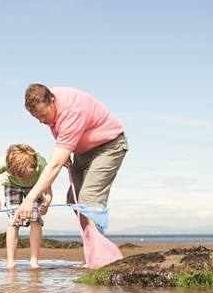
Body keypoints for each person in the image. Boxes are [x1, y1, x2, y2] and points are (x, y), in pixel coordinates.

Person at [13, 84, 128, 233]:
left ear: (52, 101)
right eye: (37, 118)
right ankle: (91, 244)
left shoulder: (72, 112)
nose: (41, 121)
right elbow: (62, 138)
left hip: (108, 146)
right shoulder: (48, 102)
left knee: (88, 201)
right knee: (73, 200)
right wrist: (67, 150)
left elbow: (54, 165)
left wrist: (29, 200)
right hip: (83, 152)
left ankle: (98, 251)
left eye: (42, 115)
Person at [0, 143, 53, 268]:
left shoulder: (41, 165)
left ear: (32, 168)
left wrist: (45, 204)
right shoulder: (4, 162)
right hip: (11, 186)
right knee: (14, 221)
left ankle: (34, 261)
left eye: (23, 175)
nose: (21, 179)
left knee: (36, 219)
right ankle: (11, 262)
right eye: (17, 175)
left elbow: (48, 194)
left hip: (35, 187)